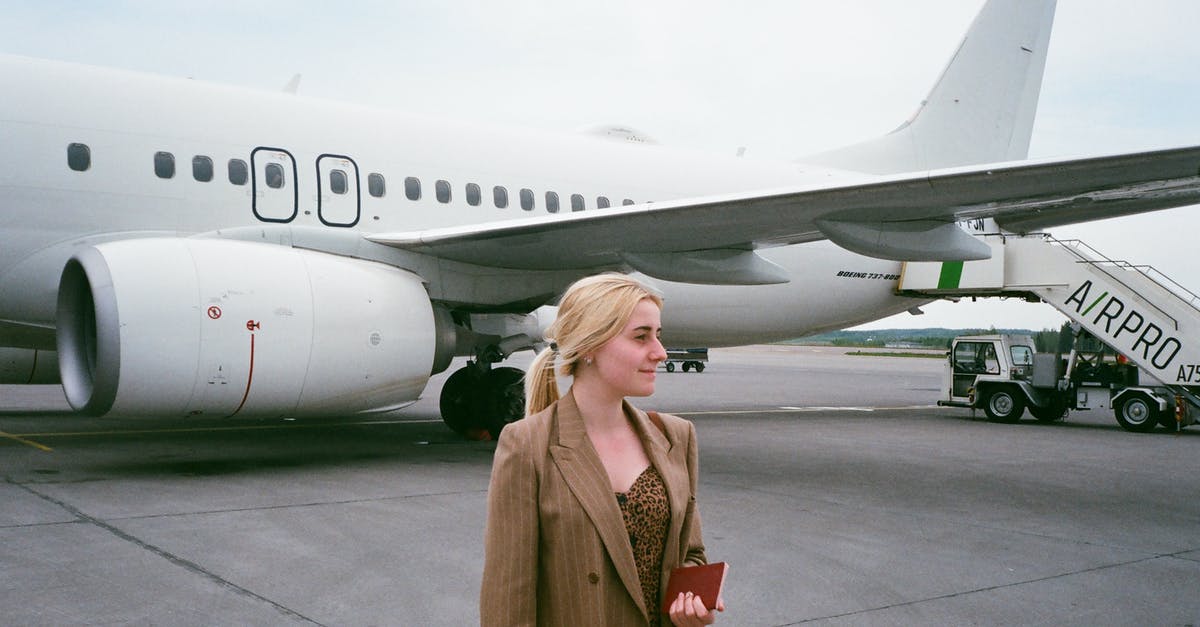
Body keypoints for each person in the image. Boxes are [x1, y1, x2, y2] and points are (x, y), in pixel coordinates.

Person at [480, 273, 724, 626]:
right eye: (641, 337)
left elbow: (691, 554)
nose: (659, 352)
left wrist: (689, 605)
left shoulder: (675, 436)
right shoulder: (526, 444)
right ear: (590, 345)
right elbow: (507, 598)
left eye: (658, 335)